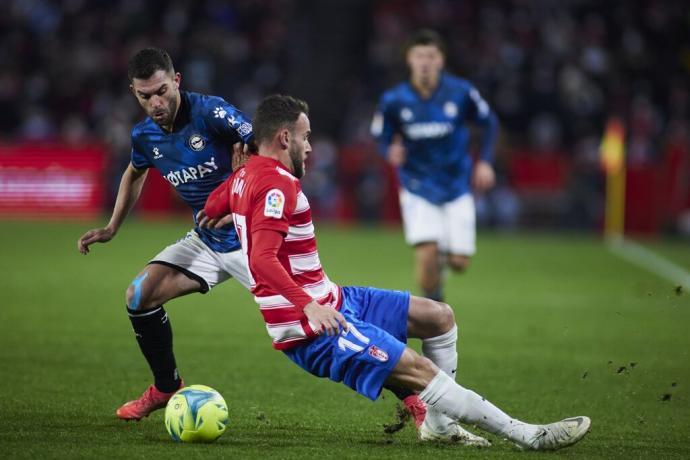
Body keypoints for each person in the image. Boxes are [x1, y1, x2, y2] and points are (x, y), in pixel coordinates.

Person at [201, 94, 590, 450]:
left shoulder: (244, 176)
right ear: (284, 138)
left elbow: (211, 207)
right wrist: (309, 308)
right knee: (417, 369)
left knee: (439, 317)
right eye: (305, 137)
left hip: (333, 299)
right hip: (309, 328)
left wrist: (227, 206)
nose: (310, 146)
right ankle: (528, 436)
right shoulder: (275, 186)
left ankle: (439, 427)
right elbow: (262, 262)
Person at [76, 48, 254, 420]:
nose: (155, 103)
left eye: (161, 91)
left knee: (314, 327)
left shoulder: (211, 112)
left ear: (177, 81)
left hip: (254, 239)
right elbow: (134, 172)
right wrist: (112, 227)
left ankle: (408, 394)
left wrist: (241, 185)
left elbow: (264, 146)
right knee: (139, 295)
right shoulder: (144, 136)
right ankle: (165, 388)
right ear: (133, 93)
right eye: (145, 96)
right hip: (207, 239)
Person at [371, 29, 499, 302]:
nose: (425, 62)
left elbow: (489, 123)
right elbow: (380, 136)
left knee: (460, 262)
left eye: (431, 55)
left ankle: (444, 256)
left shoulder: (462, 92)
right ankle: (435, 309)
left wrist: (485, 162)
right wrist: (388, 150)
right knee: (427, 252)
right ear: (409, 59)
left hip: (456, 184)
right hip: (417, 185)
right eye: (419, 55)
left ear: (441, 60)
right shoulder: (393, 100)